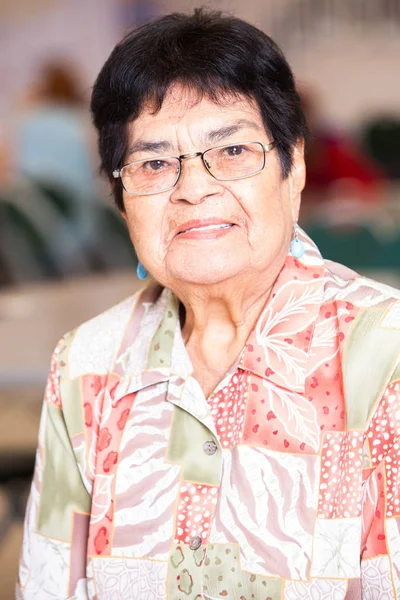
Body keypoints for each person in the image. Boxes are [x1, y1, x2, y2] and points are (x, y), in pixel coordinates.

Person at [18, 9, 400, 600]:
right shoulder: (85, 366)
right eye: (153, 163)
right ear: (122, 202)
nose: (194, 188)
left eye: (233, 151)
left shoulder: (386, 357)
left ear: (293, 167)